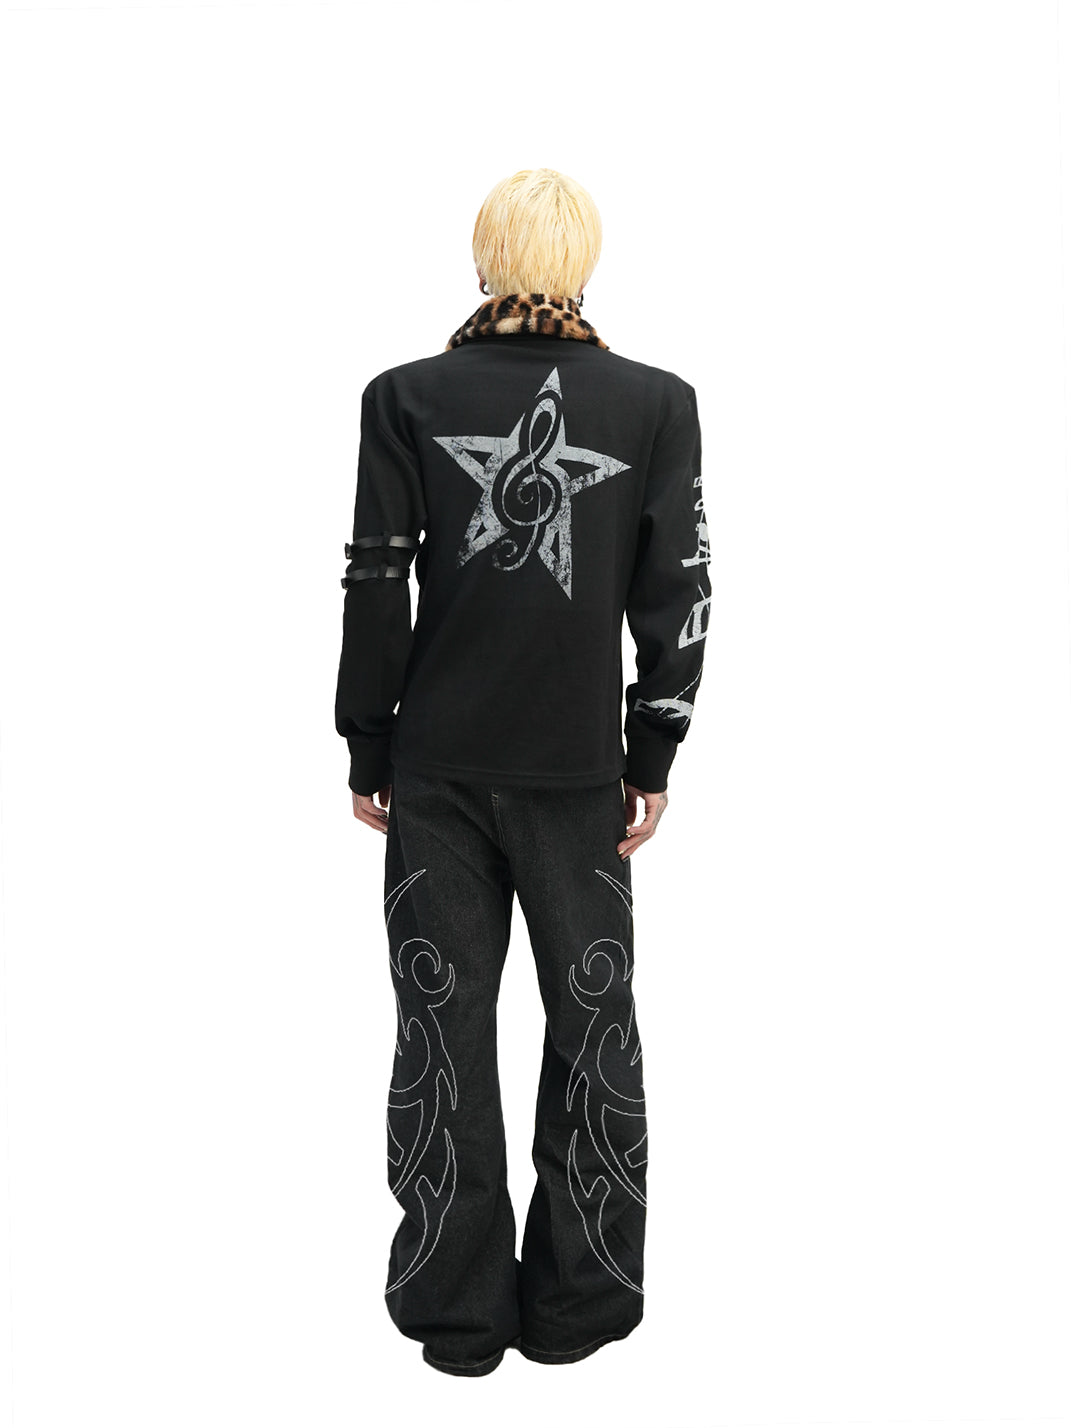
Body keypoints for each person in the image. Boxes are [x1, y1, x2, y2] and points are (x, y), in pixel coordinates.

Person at [334, 167, 710, 1376]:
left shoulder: (405, 395)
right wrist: (653, 746)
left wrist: (367, 739)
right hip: (579, 776)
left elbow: (375, 577)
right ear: (584, 260)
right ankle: (580, 1304)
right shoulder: (656, 404)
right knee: (595, 1023)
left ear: (484, 256)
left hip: (435, 774)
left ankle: (456, 1315)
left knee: (439, 1029)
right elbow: (680, 590)